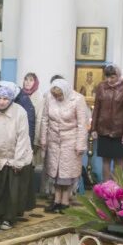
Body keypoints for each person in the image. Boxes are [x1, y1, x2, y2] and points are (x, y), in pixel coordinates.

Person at [0, 82, 34, 229]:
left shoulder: (20, 112)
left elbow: (23, 138)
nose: (1, 101)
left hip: (16, 156)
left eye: (5, 99)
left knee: (13, 190)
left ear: (11, 100)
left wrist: (18, 162)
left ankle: (9, 218)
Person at [40, 78, 88, 213]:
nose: (57, 98)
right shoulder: (50, 98)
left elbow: (82, 124)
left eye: (59, 95)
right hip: (54, 140)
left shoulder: (78, 99)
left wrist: (80, 144)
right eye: (55, 96)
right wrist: (43, 139)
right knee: (54, 172)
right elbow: (45, 119)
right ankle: (56, 200)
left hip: (71, 141)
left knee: (66, 173)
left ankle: (65, 201)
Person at [91, 65, 123, 180]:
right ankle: (106, 188)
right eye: (107, 77)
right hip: (103, 129)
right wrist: (93, 128)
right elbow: (96, 109)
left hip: (119, 131)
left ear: (118, 76)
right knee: (105, 159)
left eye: (113, 77)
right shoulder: (101, 87)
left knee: (118, 160)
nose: (109, 80)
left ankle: (117, 188)